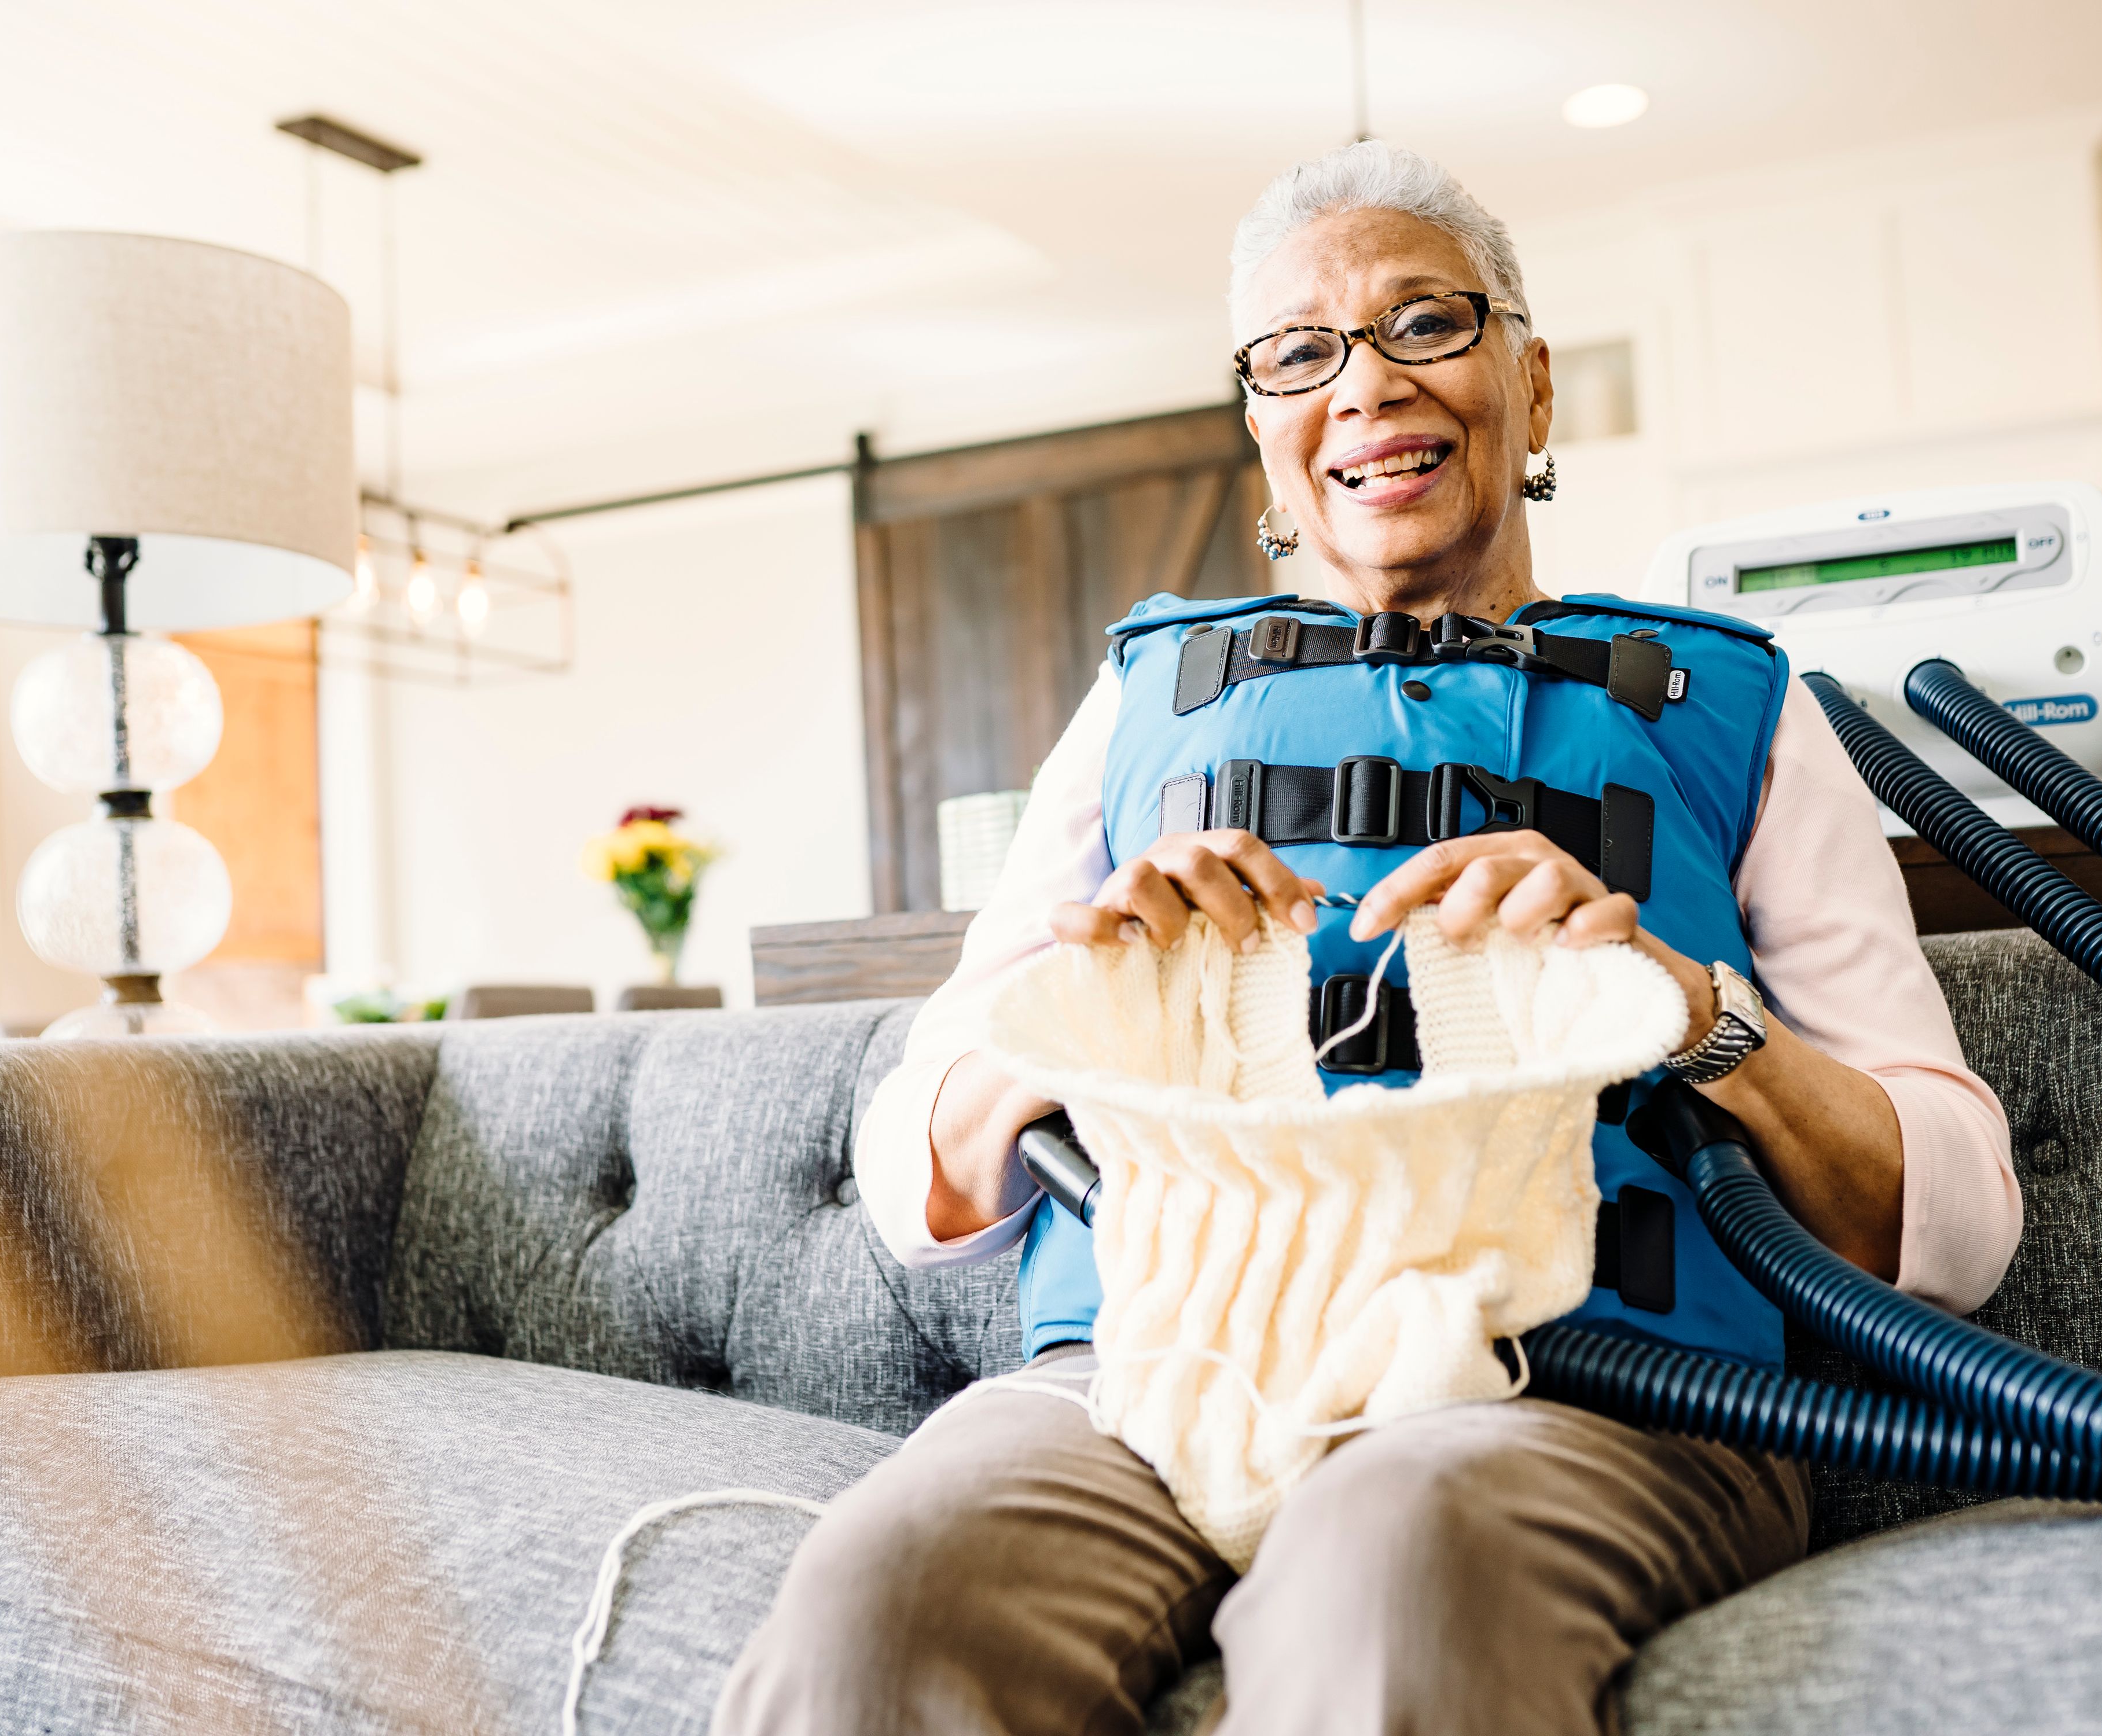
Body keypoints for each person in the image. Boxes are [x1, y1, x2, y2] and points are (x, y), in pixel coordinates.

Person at [714, 139, 2017, 1736]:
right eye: (1299, 353)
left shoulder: (1745, 708)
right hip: (1157, 1365)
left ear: (1530, 389)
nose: (1364, 386)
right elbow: (916, 1176)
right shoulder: (1142, 699)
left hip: (1576, 1381)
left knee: (1387, 1554)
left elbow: (1956, 1226)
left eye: (1426, 326)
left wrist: (1686, 1011)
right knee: (888, 1593)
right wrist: (1078, 1006)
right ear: (1262, 428)